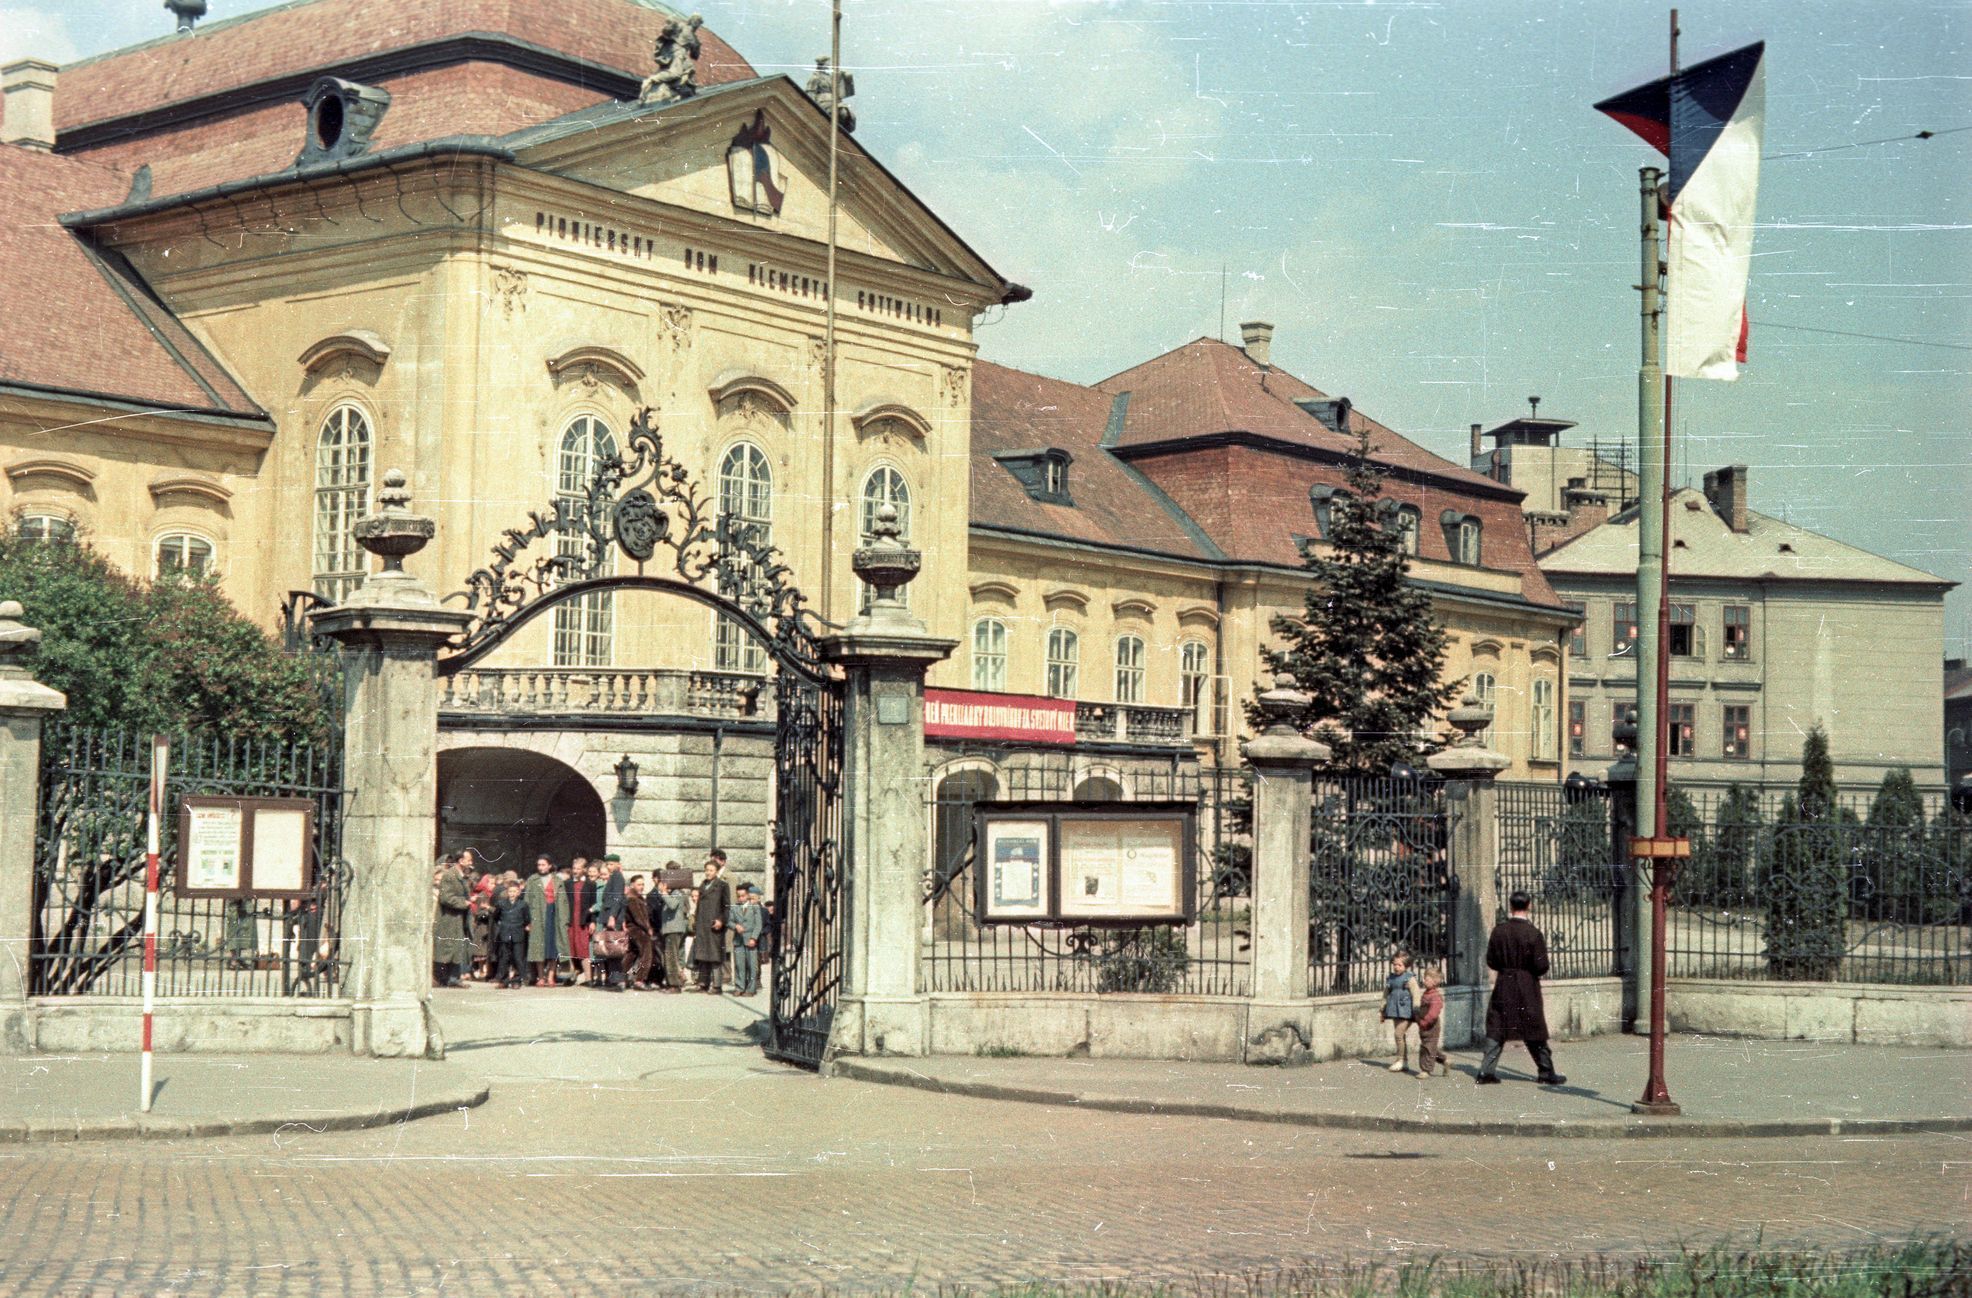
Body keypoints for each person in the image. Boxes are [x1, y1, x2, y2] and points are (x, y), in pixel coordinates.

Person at [1476, 891, 1566, 1086]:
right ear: (1529, 905)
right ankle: (1546, 1071)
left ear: (1511, 906)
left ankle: (1485, 1071)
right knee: (1534, 1028)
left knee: (1497, 1026)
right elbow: (1542, 966)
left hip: (1504, 983)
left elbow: (1491, 960)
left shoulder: (1499, 931)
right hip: (1527, 985)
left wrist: (1506, 968)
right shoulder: (1533, 933)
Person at [689, 854, 731, 993]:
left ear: (717, 871)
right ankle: (703, 984)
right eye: (706, 870)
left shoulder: (722, 885)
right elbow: (699, 906)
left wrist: (721, 920)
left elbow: (726, 907)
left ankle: (717, 986)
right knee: (702, 955)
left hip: (714, 925)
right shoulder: (703, 885)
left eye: (711, 870)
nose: (708, 872)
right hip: (702, 925)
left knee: (714, 956)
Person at [431, 852, 473, 988]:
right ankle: (442, 978)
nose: (471, 862)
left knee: (456, 948)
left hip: (457, 919)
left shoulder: (461, 876)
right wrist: (463, 903)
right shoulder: (450, 875)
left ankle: (453, 978)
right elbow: (445, 897)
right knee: (446, 948)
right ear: (461, 860)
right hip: (448, 918)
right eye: (469, 859)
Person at [524, 855, 563, 988]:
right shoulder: (532, 880)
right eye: (539, 865)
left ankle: (551, 977)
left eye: (543, 865)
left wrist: (564, 921)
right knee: (538, 948)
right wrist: (527, 920)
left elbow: (563, 903)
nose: (541, 867)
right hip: (537, 916)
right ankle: (540, 977)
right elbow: (526, 901)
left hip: (553, 915)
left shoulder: (558, 881)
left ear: (550, 866)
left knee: (553, 947)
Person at [1381, 950, 1421, 1073]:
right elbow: (1385, 994)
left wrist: (1416, 1008)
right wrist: (1382, 1008)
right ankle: (1404, 1062)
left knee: (1398, 1034)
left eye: (1400, 965)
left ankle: (1400, 1060)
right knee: (1400, 1036)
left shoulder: (1409, 978)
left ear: (1406, 966)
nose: (1396, 967)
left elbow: (1416, 994)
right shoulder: (1391, 978)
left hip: (1406, 1010)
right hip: (1394, 1009)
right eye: (1395, 964)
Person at [596, 854, 628, 990]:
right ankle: (613, 979)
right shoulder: (614, 877)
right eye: (607, 864)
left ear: (617, 864)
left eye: (611, 864)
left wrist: (612, 916)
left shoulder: (617, 877)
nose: (609, 867)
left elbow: (617, 898)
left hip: (612, 918)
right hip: (610, 916)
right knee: (611, 949)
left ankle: (618, 981)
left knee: (614, 949)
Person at [656, 868, 689, 992]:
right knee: (671, 956)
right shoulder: (675, 892)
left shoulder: (677, 893)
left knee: (671, 957)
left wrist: (664, 892)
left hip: (673, 929)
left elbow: (673, 905)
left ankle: (674, 985)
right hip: (671, 929)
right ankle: (674, 983)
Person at [730, 883, 765, 997]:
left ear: (748, 895)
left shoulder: (754, 907)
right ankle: (739, 987)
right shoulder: (734, 907)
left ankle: (751, 988)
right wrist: (735, 926)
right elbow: (729, 921)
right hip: (738, 940)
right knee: (739, 965)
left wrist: (754, 938)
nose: (740, 898)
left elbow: (758, 924)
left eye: (743, 896)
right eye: (738, 896)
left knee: (751, 965)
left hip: (750, 940)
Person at [565, 858, 596, 986]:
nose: (575, 871)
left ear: (584, 870)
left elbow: (593, 904)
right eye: (574, 868)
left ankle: (589, 978)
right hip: (571, 921)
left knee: (583, 949)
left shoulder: (590, 884)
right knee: (571, 948)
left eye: (578, 868)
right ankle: (572, 975)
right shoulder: (567, 884)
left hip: (583, 921)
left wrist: (592, 921)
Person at [493, 881, 530, 988]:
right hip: (505, 934)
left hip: (518, 934)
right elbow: (496, 916)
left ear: (519, 892)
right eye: (510, 891)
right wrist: (503, 925)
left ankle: (516, 980)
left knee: (518, 957)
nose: (512, 893)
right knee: (504, 957)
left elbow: (527, 919)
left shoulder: (523, 904)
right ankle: (503, 980)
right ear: (507, 892)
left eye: (514, 891)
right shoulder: (501, 903)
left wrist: (522, 927)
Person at [1415, 963, 1448, 1078]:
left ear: (1434, 982)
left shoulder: (1435, 996)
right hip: (1424, 1024)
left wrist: (1425, 1021)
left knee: (1428, 1047)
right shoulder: (1426, 993)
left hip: (1431, 1026)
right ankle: (1445, 1060)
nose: (1423, 980)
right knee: (1429, 1046)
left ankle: (1426, 1070)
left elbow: (1433, 1013)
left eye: (1426, 978)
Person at [624, 874, 656, 990]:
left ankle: (622, 979)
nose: (641, 887)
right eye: (639, 884)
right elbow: (639, 918)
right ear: (632, 885)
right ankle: (639, 980)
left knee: (631, 954)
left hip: (634, 930)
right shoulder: (632, 898)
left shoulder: (636, 897)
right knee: (646, 954)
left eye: (642, 884)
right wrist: (648, 929)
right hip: (638, 930)